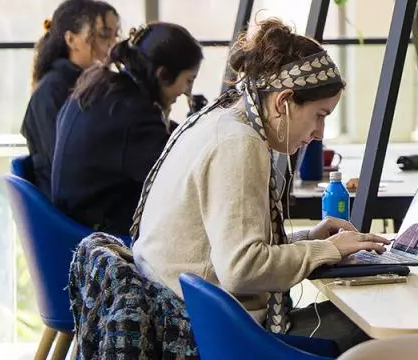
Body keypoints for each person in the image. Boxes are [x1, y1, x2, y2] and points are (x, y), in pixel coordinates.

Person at [132, 19, 387, 352]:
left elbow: (224, 250)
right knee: (377, 329)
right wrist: (330, 250)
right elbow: (241, 268)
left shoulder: (217, 122)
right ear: (283, 102)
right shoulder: (239, 144)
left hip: (187, 318)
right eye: (319, 114)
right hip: (219, 337)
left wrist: (309, 238)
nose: (320, 133)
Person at [52, 23, 203, 235]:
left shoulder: (103, 86)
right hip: (95, 237)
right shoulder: (133, 114)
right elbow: (177, 178)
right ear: (163, 74)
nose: (187, 92)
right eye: (188, 80)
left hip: (72, 222)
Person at [21, 0, 121, 196]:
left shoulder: (95, 87)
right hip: (73, 213)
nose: (113, 45)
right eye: (103, 35)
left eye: (115, 36)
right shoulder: (50, 92)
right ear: (71, 40)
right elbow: (66, 170)